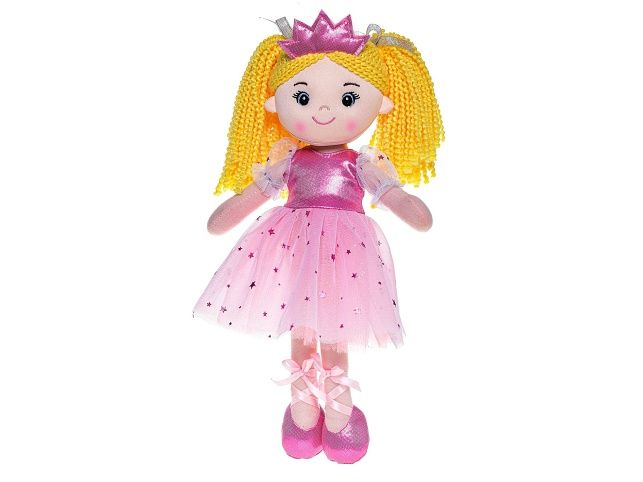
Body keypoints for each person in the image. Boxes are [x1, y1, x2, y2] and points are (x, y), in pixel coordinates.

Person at [192, 10, 444, 463]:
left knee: (334, 332)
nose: (323, 110)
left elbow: (396, 198)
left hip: (345, 255)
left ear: (382, 104)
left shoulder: (359, 163)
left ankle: (338, 413)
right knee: (304, 329)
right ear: (274, 104)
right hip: (293, 247)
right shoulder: (288, 161)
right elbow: (251, 197)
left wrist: (406, 202)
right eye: (303, 97)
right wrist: (232, 210)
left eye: (347, 98)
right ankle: (303, 412)